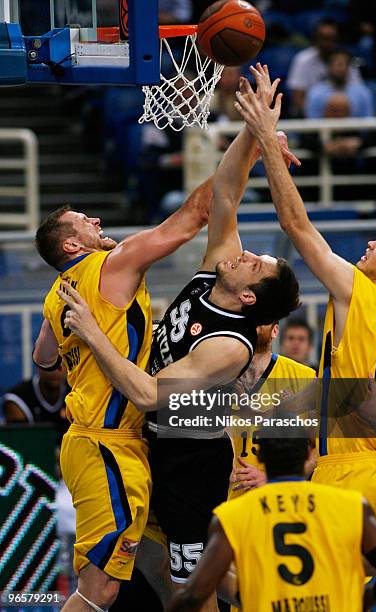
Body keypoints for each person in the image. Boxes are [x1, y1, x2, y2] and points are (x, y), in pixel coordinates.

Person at [57, 69, 301, 611]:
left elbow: (148, 394)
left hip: (191, 462)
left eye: (257, 264)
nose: (247, 254)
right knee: (155, 580)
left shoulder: (229, 346)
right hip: (150, 445)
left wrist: (94, 333)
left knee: (196, 591)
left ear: (251, 299)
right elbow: (226, 193)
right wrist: (254, 130)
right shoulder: (219, 270)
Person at [234, 65, 376, 536]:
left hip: (351, 470)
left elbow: (296, 224)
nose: (370, 244)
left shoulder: (359, 289)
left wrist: (267, 139)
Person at [32, 178, 212, 612]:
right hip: (106, 443)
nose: (96, 220)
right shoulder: (111, 264)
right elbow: (190, 220)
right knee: (101, 590)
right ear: (73, 246)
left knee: (145, 578)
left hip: (102, 442)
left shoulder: (61, 290)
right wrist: (251, 147)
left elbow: (43, 358)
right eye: (83, 223)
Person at [166, 436, 376, 612]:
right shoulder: (352, 505)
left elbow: (192, 595)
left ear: (260, 455)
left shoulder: (232, 515)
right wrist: (364, 600)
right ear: (309, 451)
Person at [227, 321, 316, 499]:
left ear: (275, 330)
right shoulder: (217, 376)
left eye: (263, 316)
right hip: (230, 501)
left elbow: (320, 450)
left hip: (284, 499)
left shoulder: (306, 377)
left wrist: (274, 479)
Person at [286, 19, 361, 117]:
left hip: (346, 115)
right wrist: (318, 117)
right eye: (323, 38)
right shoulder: (302, 60)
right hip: (311, 117)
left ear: (337, 39)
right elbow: (298, 98)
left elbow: (358, 94)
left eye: (330, 38)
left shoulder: (347, 59)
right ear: (315, 39)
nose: (326, 43)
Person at [305, 49, 374, 119]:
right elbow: (312, 122)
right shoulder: (316, 93)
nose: (340, 69)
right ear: (329, 67)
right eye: (337, 64)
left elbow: (368, 122)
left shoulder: (362, 92)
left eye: (344, 64)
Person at [3, 365, 68, 425]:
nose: (55, 370)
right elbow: (19, 436)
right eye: (50, 363)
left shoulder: (75, 392)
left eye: (62, 362)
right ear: (38, 364)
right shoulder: (17, 399)